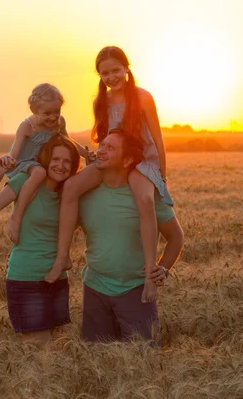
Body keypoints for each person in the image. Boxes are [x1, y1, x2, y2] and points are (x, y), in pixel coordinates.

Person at [45, 46, 182, 305]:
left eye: (116, 70)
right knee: (72, 186)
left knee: (145, 200)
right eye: (104, 73)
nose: (111, 77)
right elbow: (103, 135)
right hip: (112, 157)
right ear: (99, 75)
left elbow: (157, 138)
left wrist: (162, 175)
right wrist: (96, 156)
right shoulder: (101, 101)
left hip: (142, 161)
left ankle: (150, 273)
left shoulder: (142, 97)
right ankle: (62, 255)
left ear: (127, 69)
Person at [77, 130, 184, 343]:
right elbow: (56, 226)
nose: (101, 150)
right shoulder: (86, 193)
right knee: (96, 362)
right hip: (95, 289)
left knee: (142, 363)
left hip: (136, 291)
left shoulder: (147, 195)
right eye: (102, 145)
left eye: (110, 148)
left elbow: (176, 237)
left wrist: (161, 269)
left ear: (127, 160)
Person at [0, 134, 81, 346]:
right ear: (45, 159)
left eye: (67, 161)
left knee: (59, 345)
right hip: (26, 278)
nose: (60, 166)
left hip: (58, 279)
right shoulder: (26, 182)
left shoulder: (70, 194)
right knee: (39, 346)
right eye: (55, 159)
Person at [3, 83, 94, 245]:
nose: (53, 117)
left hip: (43, 163)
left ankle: (61, 241)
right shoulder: (26, 126)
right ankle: (17, 216)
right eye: (47, 113)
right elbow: (14, 153)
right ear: (34, 111)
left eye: (57, 111)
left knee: (66, 182)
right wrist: (7, 163)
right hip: (25, 163)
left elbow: (69, 142)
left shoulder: (59, 122)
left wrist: (86, 154)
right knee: (39, 173)